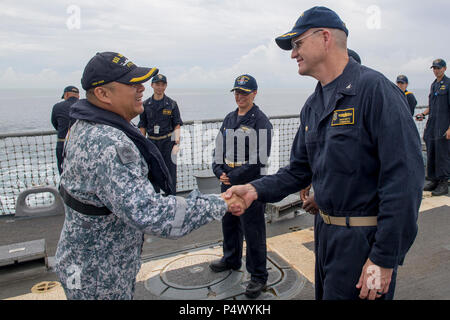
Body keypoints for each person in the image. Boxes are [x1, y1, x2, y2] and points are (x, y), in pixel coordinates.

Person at [225, 6, 424, 300]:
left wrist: (384, 258)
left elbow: (404, 181)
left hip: (363, 242)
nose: (293, 54)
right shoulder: (313, 103)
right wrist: (254, 189)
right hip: (326, 235)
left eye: (298, 44)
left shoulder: (375, 91)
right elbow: (297, 171)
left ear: (326, 38)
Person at [54, 52, 246, 300]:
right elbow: (151, 214)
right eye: (132, 84)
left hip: (86, 262)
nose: (141, 88)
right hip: (99, 276)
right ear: (103, 94)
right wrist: (221, 203)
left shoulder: (83, 124)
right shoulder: (108, 143)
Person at [210, 74, 273, 299]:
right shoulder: (229, 118)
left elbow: (260, 157)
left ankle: (258, 276)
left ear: (254, 93)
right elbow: (217, 148)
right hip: (227, 181)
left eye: (244, 93)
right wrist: (219, 171)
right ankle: (231, 258)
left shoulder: (261, 121)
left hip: (250, 184)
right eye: (236, 92)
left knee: (253, 230)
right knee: (229, 222)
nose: (239, 96)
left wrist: (233, 175)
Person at [300, 49, 362, 214]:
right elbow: (314, 159)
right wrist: (308, 181)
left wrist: (322, 196)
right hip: (325, 224)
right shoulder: (311, 107)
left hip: (358, 222)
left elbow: (362, 169)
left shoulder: (369, 98)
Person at [138, 74, 182, 194]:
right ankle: (154, 200)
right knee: (152, 172)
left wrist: (176, 144)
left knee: (170, 173)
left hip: (168, 143)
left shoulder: (171, 104)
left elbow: (177, 124)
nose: (160, 87)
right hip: (151, 142)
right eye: (157, 84)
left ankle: (172, 200)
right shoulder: (145, 105)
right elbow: (142, 125)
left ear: (166, 86)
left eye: (162, 85)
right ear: (152, 85)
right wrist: (142, 144)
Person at [417, 59, 450, 196]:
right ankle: (434, 180)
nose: (436, 70)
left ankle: (443, 183)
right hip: (432, 124)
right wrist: (423, 114)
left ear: (444, 68)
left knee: (442, 154)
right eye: (434, 68)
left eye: (438, 68)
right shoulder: (434, 85)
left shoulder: (448, 84)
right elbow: (432, 105)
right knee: (432, 151)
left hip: (443, 124)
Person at [50, 86, 79, 174]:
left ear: (66, 95)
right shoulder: (85, 106)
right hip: (81, 143)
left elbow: (55, 124)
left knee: (63, 172)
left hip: (63, 143)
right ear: (78, 96)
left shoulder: (57, 107)